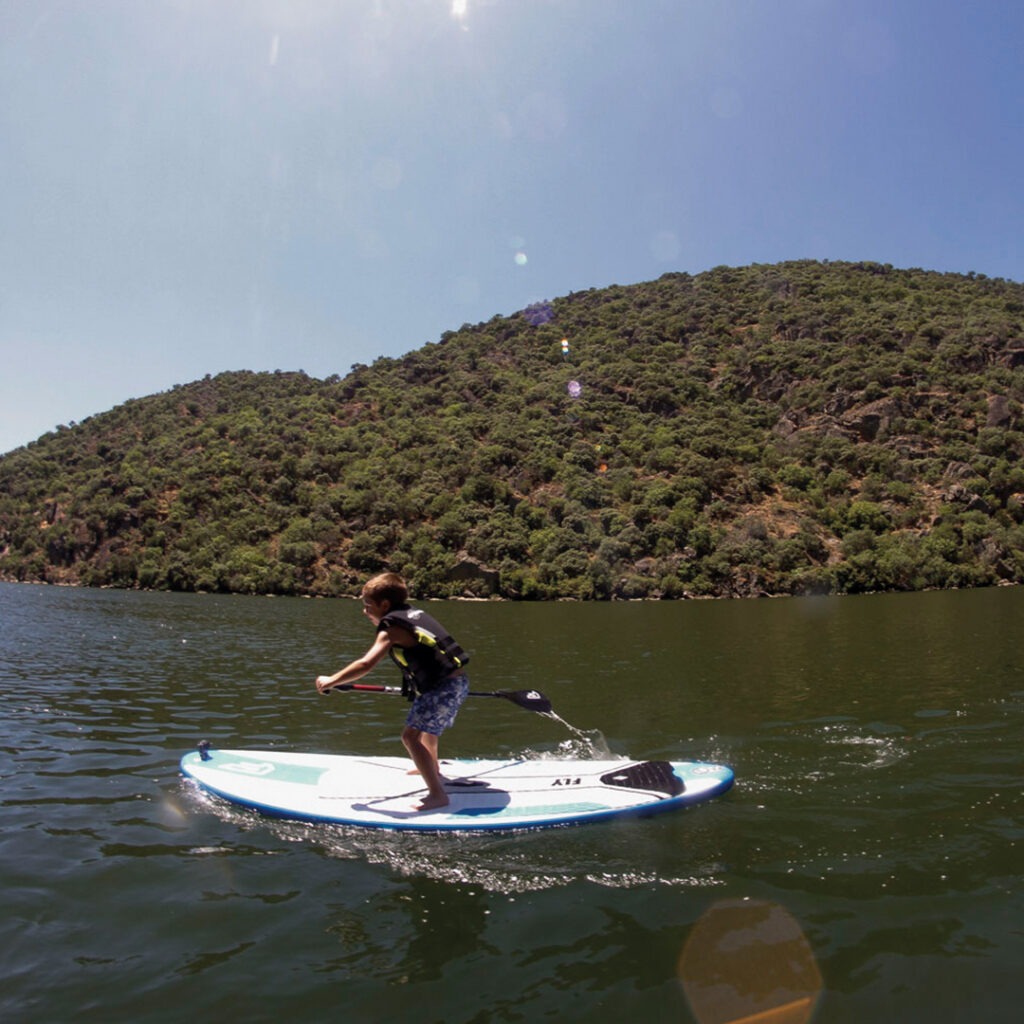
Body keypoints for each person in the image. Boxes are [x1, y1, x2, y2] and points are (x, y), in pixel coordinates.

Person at [315, 572, 470, 811]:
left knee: (410, 737)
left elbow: (366, 664)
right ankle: (432, 766)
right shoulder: (412, 614)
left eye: (368, 606)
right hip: (454, 683)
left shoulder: (392, 628)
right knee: (428, 728)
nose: (365, 611)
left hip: (442, 688)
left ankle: (437, 794)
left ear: (384, 605)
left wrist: (331, 680)